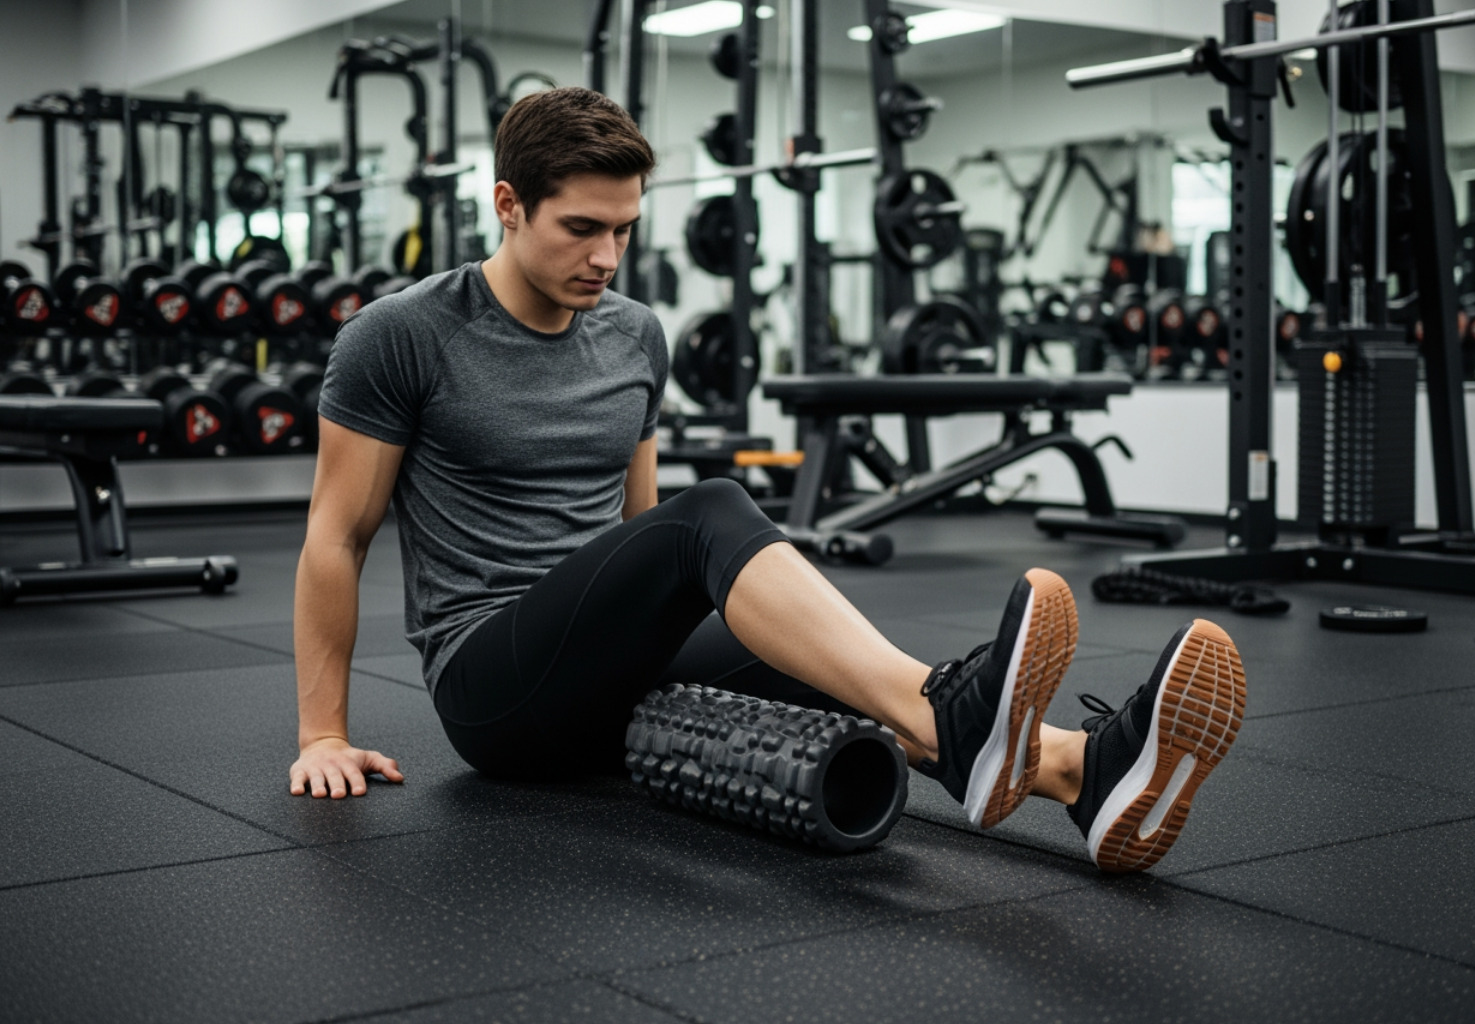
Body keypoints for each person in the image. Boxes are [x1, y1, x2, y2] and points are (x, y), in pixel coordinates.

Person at [287, 87, 1246, 872]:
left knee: (829, 658)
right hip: (496, 692)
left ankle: (1088, 775)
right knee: (713, 511)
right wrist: (322, 734)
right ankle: (955, 715)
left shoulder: (635, 335)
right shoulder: (401, 335)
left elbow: (636, 532)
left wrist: (748, 629)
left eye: (624, 230)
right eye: (581, 228)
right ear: (508, 205)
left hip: (605, 668)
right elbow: (338, 534)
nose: (606, 258)